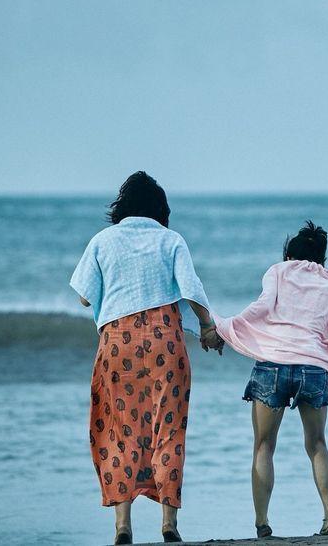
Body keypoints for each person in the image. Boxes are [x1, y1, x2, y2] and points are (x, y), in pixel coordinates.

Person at [70, 171, 222, 546]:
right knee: (169, 429)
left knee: (118, 430)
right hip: (164, 343)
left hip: (116, 344)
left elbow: (84, 297)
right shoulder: (171, 240)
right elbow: (191, 289)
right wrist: (207, 326)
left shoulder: (103, 241)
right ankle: (169, 523)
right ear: (160, 208)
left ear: (122, 206)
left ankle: (123, 526)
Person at [207, 221, 328, 538]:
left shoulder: (278, 272)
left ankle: (262, 523)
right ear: (322, 258)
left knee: (264, 446)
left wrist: (225, 328)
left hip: (273, 365)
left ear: (289, 254)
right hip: (314, 368)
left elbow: (261, 308)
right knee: (317, 444)